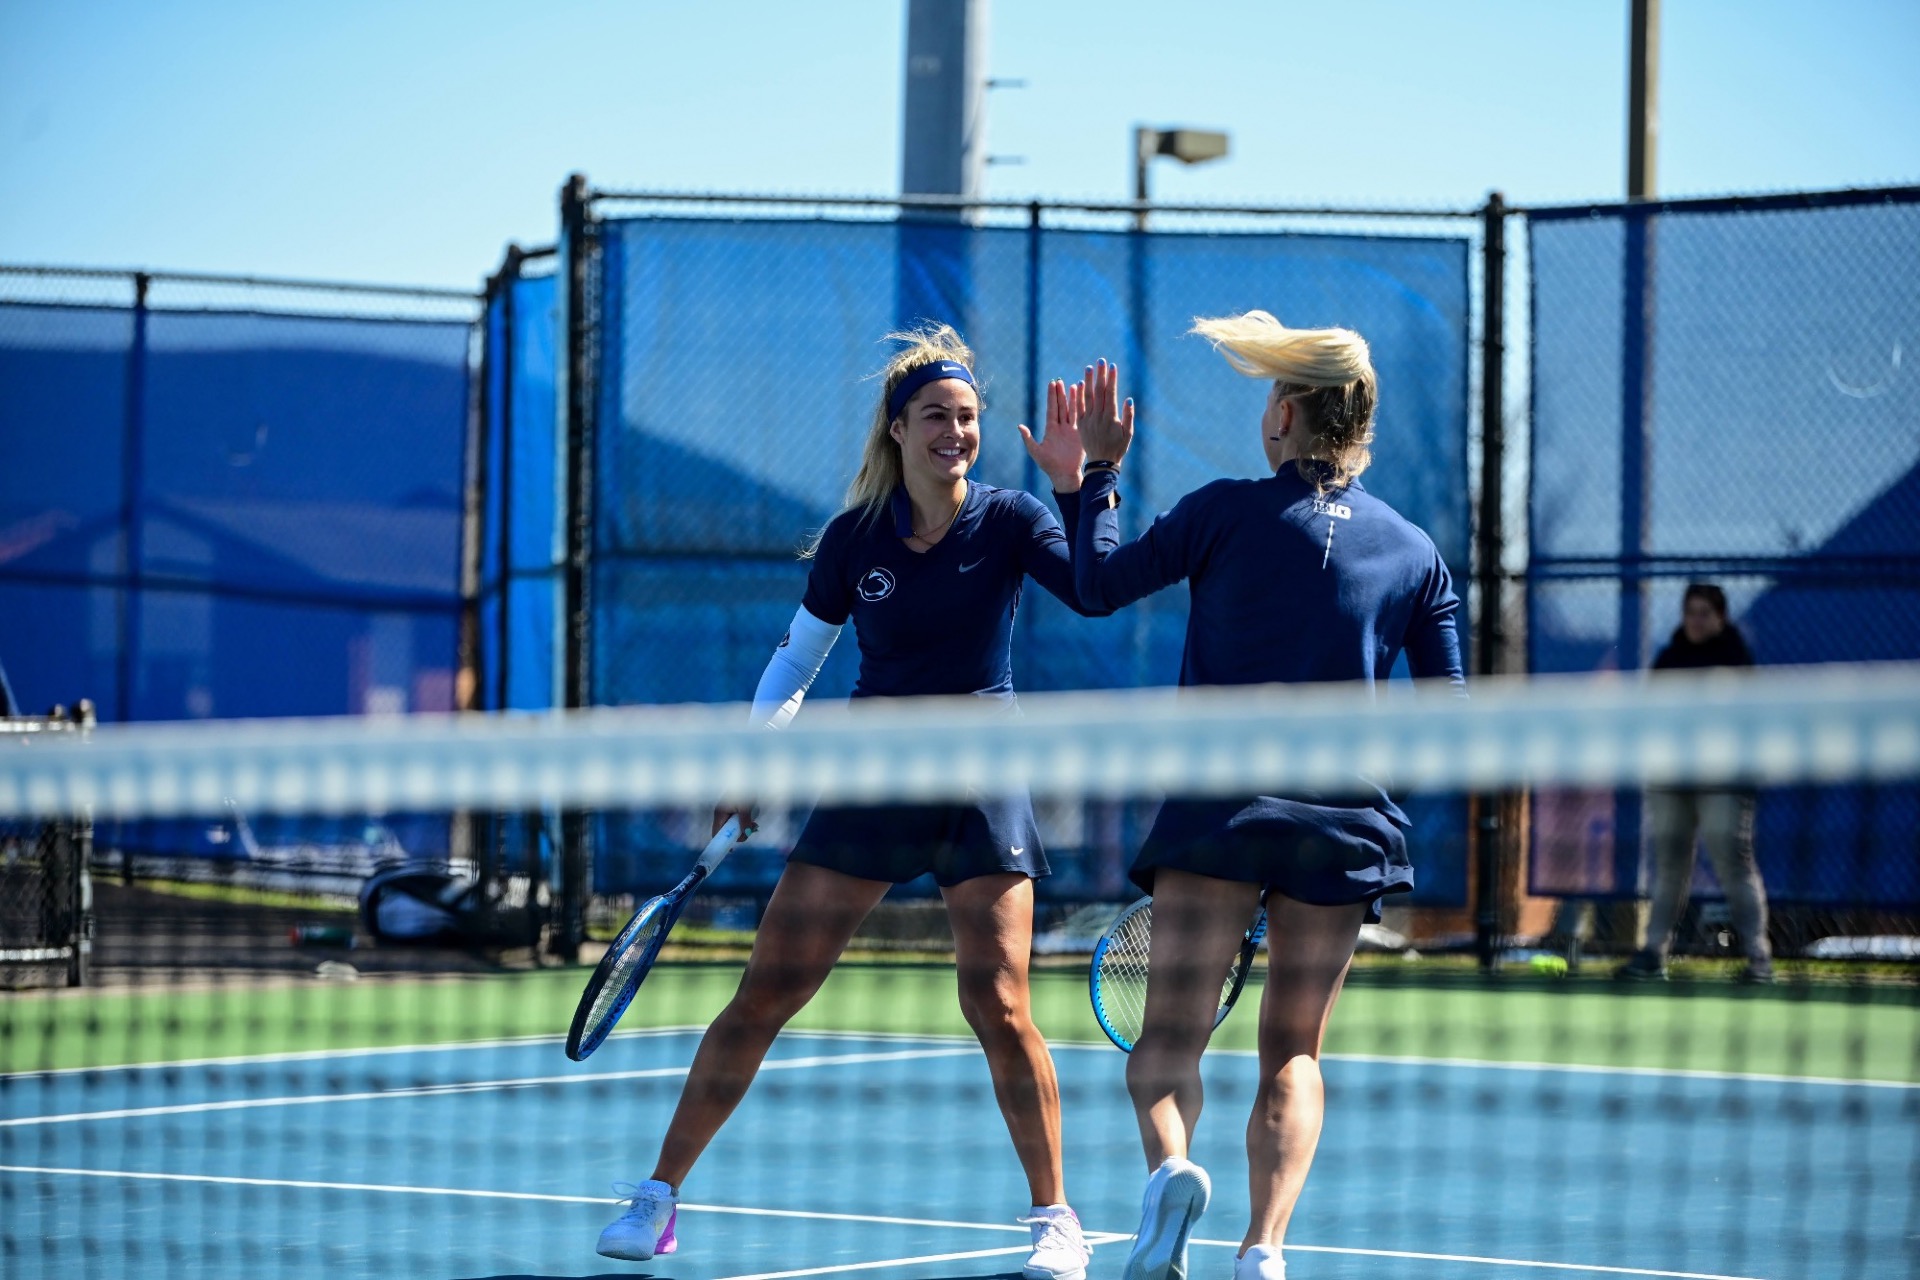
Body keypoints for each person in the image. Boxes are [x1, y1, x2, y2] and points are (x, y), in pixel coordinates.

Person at [594, 325, 1099, 1280]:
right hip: (871, 777)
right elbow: (797, 660)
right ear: (897, 430)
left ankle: (1055, 1223)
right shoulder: (853, 540)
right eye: (937, 418)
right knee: (768, 992)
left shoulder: (1014, 519)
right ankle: (658, 1198)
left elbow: (1094, 589)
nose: (956, 433)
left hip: (981, 778)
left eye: (967, 418)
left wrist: (1078, 488)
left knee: (997, 999)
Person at [1049, 313, 1463, 1280]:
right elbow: (1452, 718)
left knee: (1166, 1040)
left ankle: (1171, 1174)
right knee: (1295, 1053)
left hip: (1218, 819)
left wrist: (1094, 479)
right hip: (1343, 829)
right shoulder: (1417, 552)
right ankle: (1264, 1251)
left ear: (1284, 412)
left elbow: (1099, 584)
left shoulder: (1221, 510)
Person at [1617, 584, 1773, 983]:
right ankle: (1653, 954)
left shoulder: (1736, 661)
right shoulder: (1670, 659)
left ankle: (1759, 960)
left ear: (1721, 617)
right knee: (1669, 869)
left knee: (1733, 864)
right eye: (1691, 612)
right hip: (1672, 778)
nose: (1696, 620)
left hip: (1725, 780)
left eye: (1705, 613)